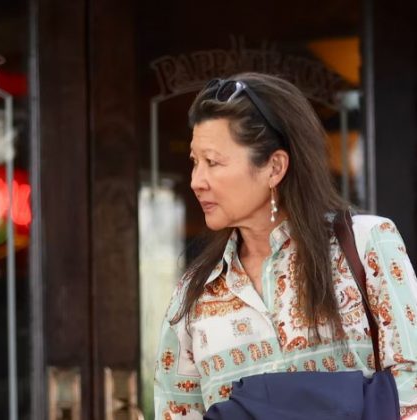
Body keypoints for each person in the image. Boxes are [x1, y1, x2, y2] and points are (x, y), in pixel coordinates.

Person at [153, 72, 417, 419]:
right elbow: (177, 412)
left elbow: (411, 388)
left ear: (274, 167)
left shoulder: (367, 245)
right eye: (194, 162)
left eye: (213, 162)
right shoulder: (195, 295)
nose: (196, 181)